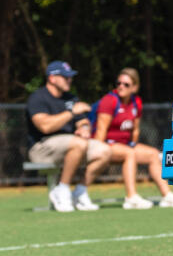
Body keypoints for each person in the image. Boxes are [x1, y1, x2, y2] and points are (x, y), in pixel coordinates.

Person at [92, 67, 173, 209]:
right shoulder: (109, 101)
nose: (121, 87)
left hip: (124, 146)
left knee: (153, 154)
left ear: (134, 87)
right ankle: (131, 197)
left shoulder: (136, 102)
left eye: (126, 84)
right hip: (106, 146)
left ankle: (167, 196)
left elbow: (135, 129)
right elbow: (100, 131)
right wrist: (97, 153)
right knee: (129, 154)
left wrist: (132, 144)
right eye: (119, 83)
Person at [26, 60, 112, 212]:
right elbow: (45, 126)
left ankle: (79, 192)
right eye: (65, 77)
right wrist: (71, 113)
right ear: (52, 78)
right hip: (41, 148)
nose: (69, 80)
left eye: (70, 76)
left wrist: (84, 128)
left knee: (104, 150)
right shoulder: (38, 97)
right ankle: (62, 190)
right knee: (78, 143)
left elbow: (83, 121)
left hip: (73, 145)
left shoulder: (71, 98)